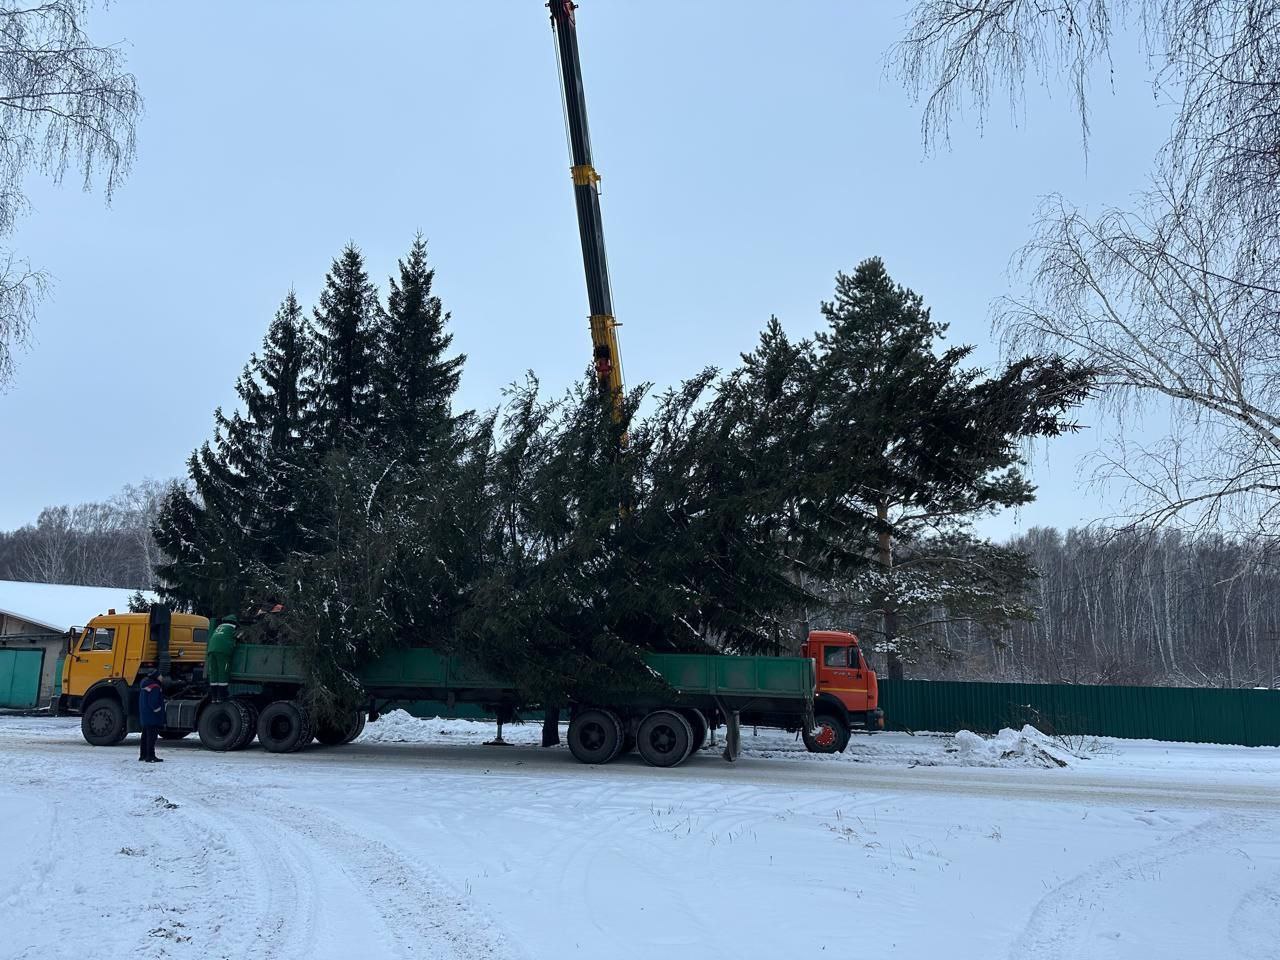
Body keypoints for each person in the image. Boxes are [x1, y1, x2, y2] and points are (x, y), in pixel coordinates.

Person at [138, 670, 166, 762]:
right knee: (152, 737)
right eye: (161, 675)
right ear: (157, 677)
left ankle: (143, 755)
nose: (162, 677)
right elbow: (153, 701)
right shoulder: (155, 687)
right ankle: (150, 756)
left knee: (145, 736)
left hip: (145, 715)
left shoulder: (145, 685)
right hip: (152, 716)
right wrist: (158, 710)